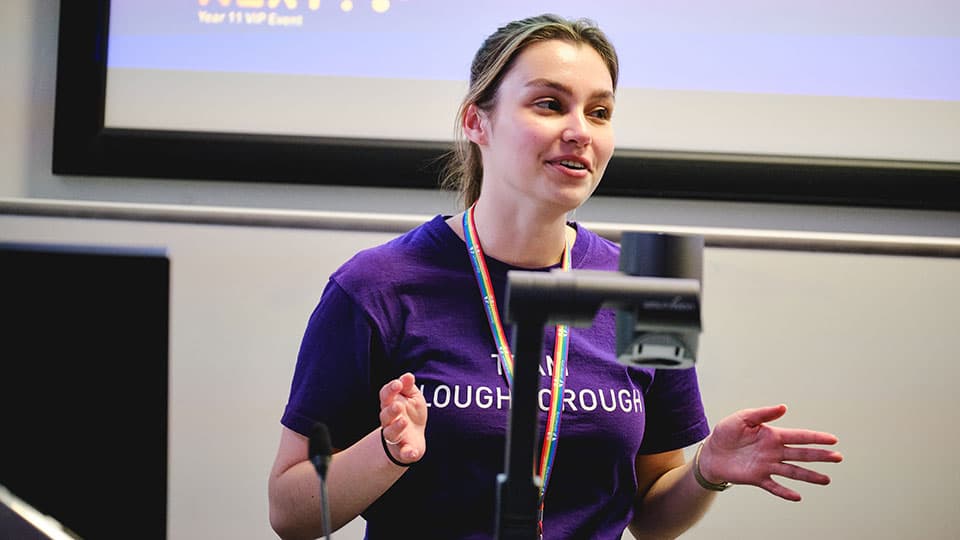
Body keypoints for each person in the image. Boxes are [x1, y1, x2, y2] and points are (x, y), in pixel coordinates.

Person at [268, 13, 843, 540]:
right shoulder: (377, 285)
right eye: (549, 104)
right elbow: (289, 512)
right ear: (477, 121)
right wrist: (387, 453)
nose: (580, 131)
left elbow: (652, 517)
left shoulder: (648, 286)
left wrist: (706, 471)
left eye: (599, 112)